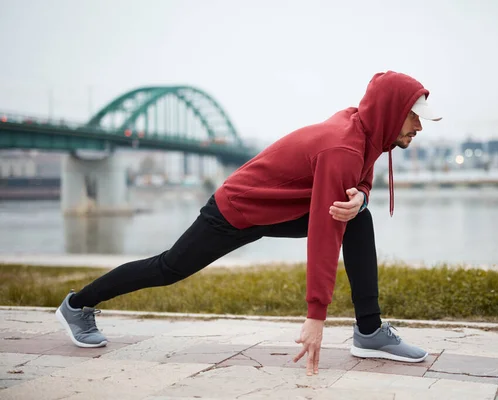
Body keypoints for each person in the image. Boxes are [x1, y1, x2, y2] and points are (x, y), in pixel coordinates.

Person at [55, 70, 442, 376]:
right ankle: (78, 305)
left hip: (277, 209)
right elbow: (325, 235)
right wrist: (315, 316)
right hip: (234, 211)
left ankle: (369, 331)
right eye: (414, 117)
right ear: (392, 111)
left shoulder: (364, 128)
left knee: (359, 216)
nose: (420, 128)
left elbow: (359, 176)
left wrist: (362, 196)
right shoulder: (342, 144)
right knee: (169, 267)